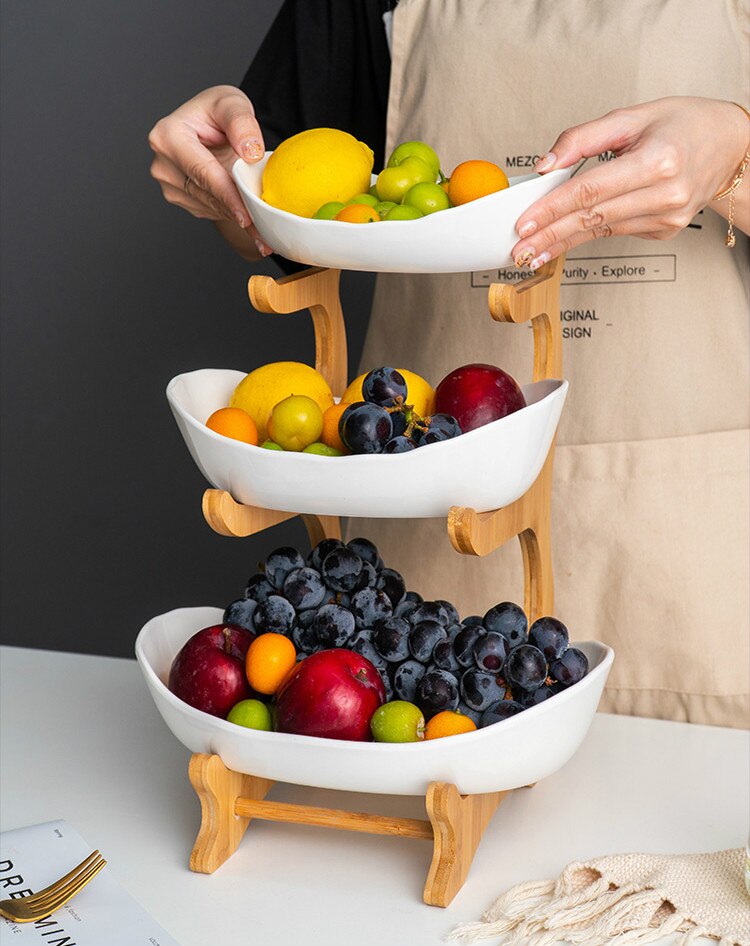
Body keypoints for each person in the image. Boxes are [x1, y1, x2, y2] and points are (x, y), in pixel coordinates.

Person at [148, 0, 749, 729]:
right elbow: (290, 215)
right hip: (425, 544)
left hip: (693, 546)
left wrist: (736, 161)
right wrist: (223, 180)